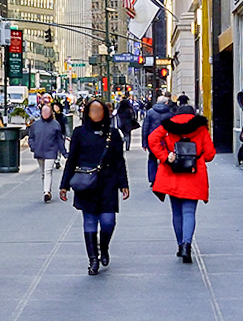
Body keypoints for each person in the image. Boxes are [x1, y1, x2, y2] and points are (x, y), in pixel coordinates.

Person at [60, 98, 130, 276]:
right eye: (93, 111)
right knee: (89, 221)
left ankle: (104, 247)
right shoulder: (79, 133)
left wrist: (123, 183)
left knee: (108, 222)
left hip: (107, 183)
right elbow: (72, 159)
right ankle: (93, 259)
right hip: (86, 184)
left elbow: (119, 160)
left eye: (100, 111)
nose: (96, 114)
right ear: (87, 113)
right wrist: (64, 185)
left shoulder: (113, 134)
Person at [147, 102, 215, 263]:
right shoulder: (201, 128)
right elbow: (210, 154)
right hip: (194, 174)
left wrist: (165, 156)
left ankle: (180, 246)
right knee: (189, 212)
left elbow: (152, 139)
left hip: (173, 173)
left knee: (177, 212)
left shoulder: (169, 126)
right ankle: (187, 245)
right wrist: (197, 159)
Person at [25, 102, 66, 202]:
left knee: (47, 172)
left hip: (50, 151)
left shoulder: (55, 125)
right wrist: (33, 147)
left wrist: (64, 152)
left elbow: (59, 140)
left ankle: (46, 191)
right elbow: (31, 137)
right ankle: (46, 190)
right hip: (40, 151)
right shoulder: (36, 125)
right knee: (44, 172)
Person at [140, 94, 174, 188]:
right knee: (166, 159)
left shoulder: (150, 112)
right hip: (166, 139)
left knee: (152, 158)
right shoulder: (170, 113)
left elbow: (145, 127)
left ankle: (153, 179)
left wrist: (144, 142)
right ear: (166, 102)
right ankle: (166, 178)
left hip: (153, 140)